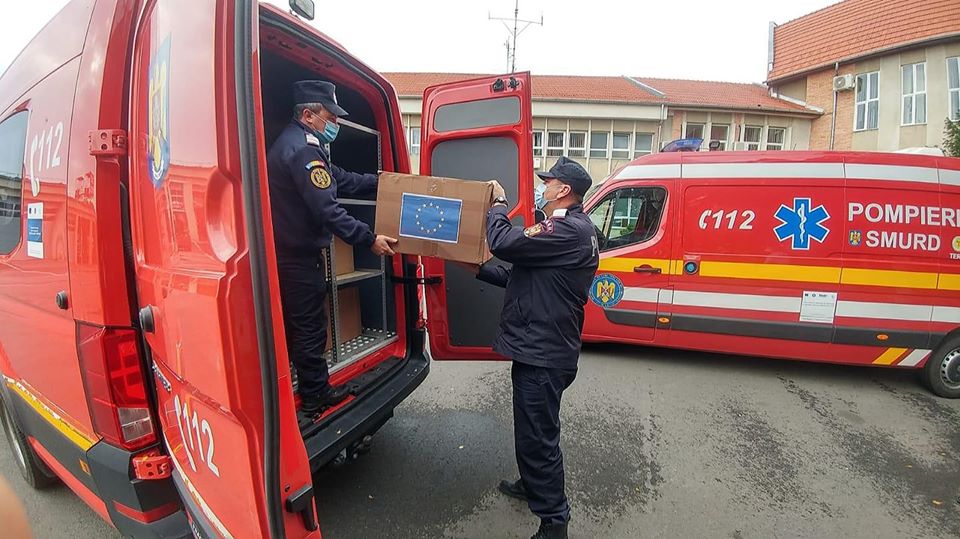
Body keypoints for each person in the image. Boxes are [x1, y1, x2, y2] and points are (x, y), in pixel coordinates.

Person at [478, 156, 599, 539]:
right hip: (543, 349)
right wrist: (479, 269)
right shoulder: (571, 229)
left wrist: (498, 204)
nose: (543, 186)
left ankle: (554, 521)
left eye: (548, 182)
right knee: (532, 431)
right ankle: (532, 484)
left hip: (544, 354)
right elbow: (524, 276)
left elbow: (504, 242)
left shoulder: (567, 230)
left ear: (564, 190)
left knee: (538, 438)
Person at [267, 80, 397, 414]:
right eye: (331, 117)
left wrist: (384, 183)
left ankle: (315, 388)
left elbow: (341, 178)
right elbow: (328, 210)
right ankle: (315, 397)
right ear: (308, 115)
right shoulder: (303, 150)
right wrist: (369, 239)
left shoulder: (302, 143)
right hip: (295, 257)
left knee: (307, 323)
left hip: (295, 254)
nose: (336, 123)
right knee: (309, 326)